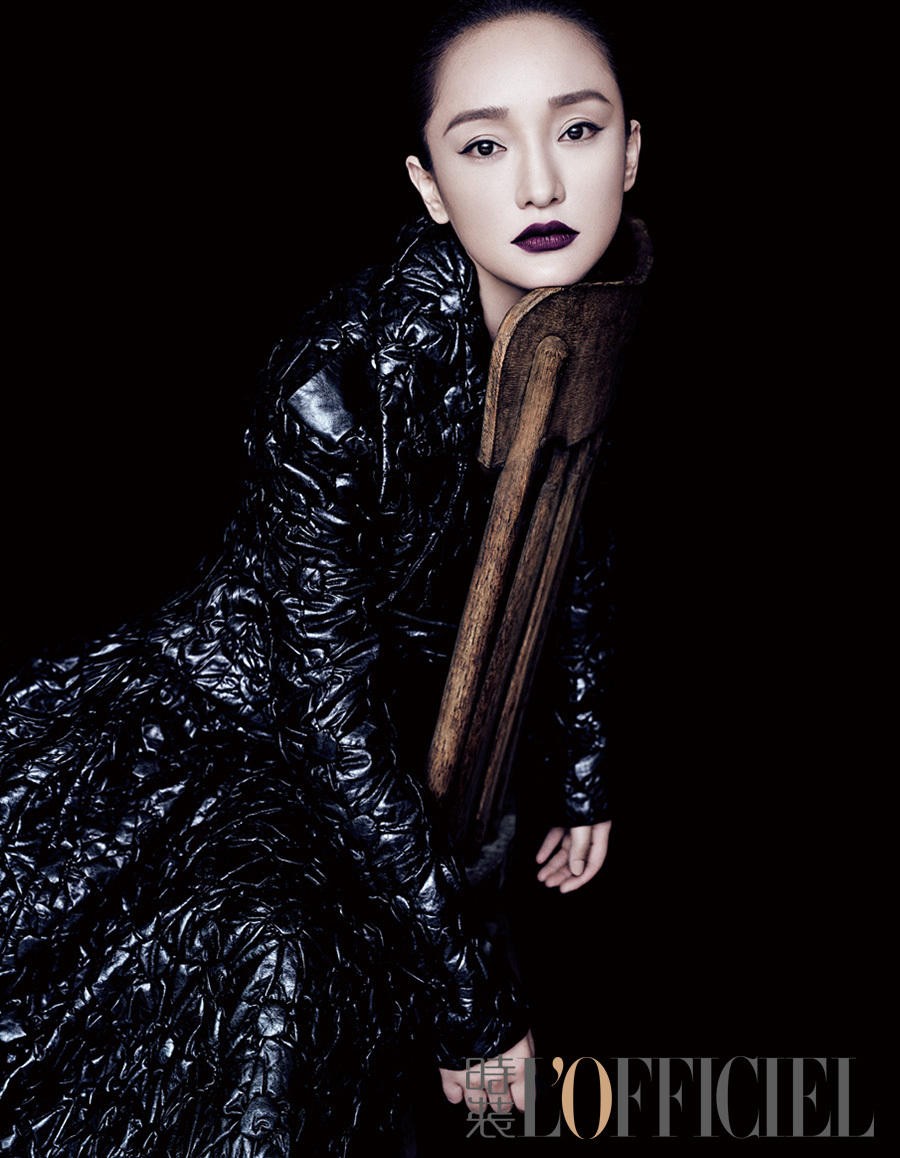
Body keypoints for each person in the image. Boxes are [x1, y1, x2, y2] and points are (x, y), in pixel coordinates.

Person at [0, 1, 643, 1153]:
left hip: (408, 733)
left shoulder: (589, 315)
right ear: (430, 186)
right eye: (484, 144)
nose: (541, 184)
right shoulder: (329, 389)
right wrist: (475, 1003)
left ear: (631, 152)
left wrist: (583, 763)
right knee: (274, 970)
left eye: (579, 130)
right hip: (242, 725)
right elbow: (328, 721)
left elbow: (570, 520)